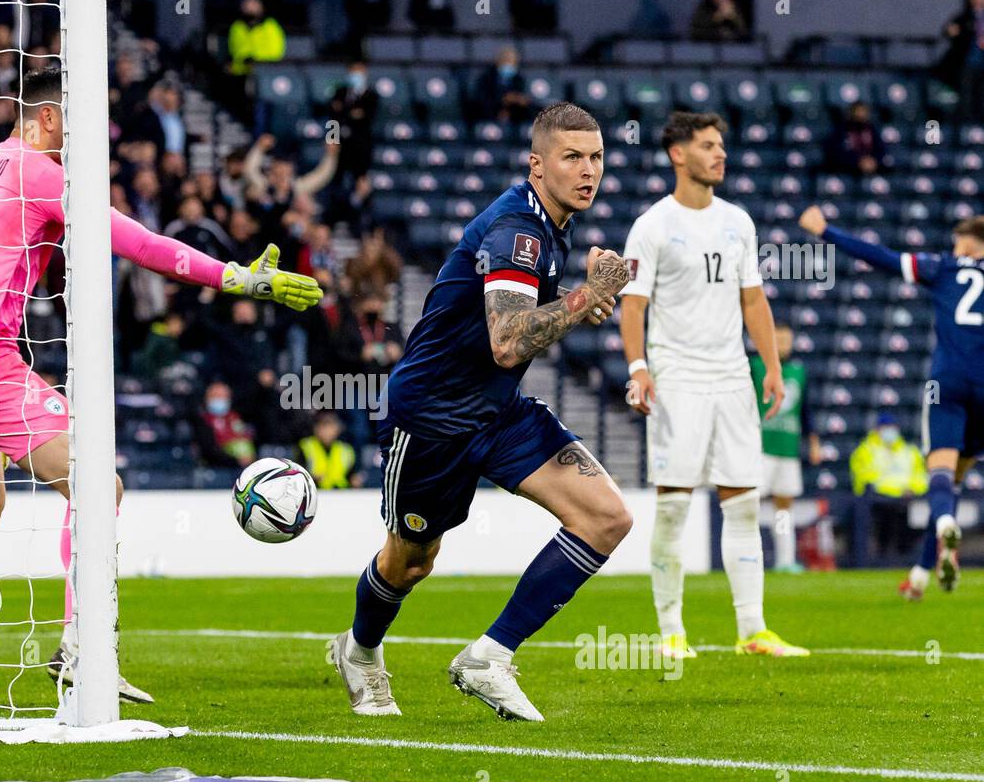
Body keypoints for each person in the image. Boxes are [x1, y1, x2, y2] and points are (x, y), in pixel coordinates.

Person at [0, 66, 319, 703]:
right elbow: (136, 243)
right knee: (96, 484)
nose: (80, 145)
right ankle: (81, 648)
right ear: (47, 118)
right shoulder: (40, 172)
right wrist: (239, 279)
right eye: (72, 127)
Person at [327, 102, 634, 722]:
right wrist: (585, 297)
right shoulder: (517, 231)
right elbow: (508, 340)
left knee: (606, 517)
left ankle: (489, 657)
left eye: (596, 157)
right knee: (410, 563)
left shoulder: (551, 226)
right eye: (572, 157)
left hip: (498, 410)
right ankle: (359, 652)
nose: (588, 171)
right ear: (537, 164)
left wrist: (580, 301)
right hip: (433, 418)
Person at [620, 111, 808, 661]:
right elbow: (634, 305)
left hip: (731, 377)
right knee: (675, 505)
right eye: (708, 146)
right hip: (677, 375)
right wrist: (638, 368)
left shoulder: (739, 222)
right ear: (678, 154)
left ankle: (752, 629)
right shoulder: (653, 225)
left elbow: (753, 299)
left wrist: (770, 365)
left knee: (745, 503)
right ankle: (671, 631)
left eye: (721, 146)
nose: (720, 154)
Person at [799, 207, 984, 599]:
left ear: (968, 243)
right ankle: (920, 574)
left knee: (941, 474)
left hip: (946, 383)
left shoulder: (943, 267)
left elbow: (881, 256)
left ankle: (944, 526)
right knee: (953, 480)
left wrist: (827, 230)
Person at [751, 323, 820, 573]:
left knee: (784, 507)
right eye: (778, 340)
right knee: (750, 503)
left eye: (786, 340)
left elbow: (805, 410)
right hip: (761, 447)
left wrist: (813, 441)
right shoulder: (756, 367)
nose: (782, 345)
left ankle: (784, 559)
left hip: (788, 449)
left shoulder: (799, 371)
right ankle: (748, 556)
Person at [849, 412, 928, 566]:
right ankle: (880, 556)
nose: (889, 431)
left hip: (907, 497)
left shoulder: (908, 451)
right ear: (878, 429)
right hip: (878, 498)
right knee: (885, 516)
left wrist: (912, 488)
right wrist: (892, 491)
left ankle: (907, 557)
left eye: (892, 427)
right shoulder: (866, 450)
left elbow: (921, 476)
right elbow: (863, 476)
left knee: (909, 517)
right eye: (886, 427)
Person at [297, 411, 361, 489]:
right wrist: (311, 478)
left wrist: (355, 480)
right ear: (316, 428)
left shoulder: (346, 449)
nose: (327, 431)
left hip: (342, 493)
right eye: (324, 426)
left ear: (338, 429)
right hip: (315, 491)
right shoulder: (306, 446)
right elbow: (298, 473)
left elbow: (352, 474)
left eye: (331, 426)